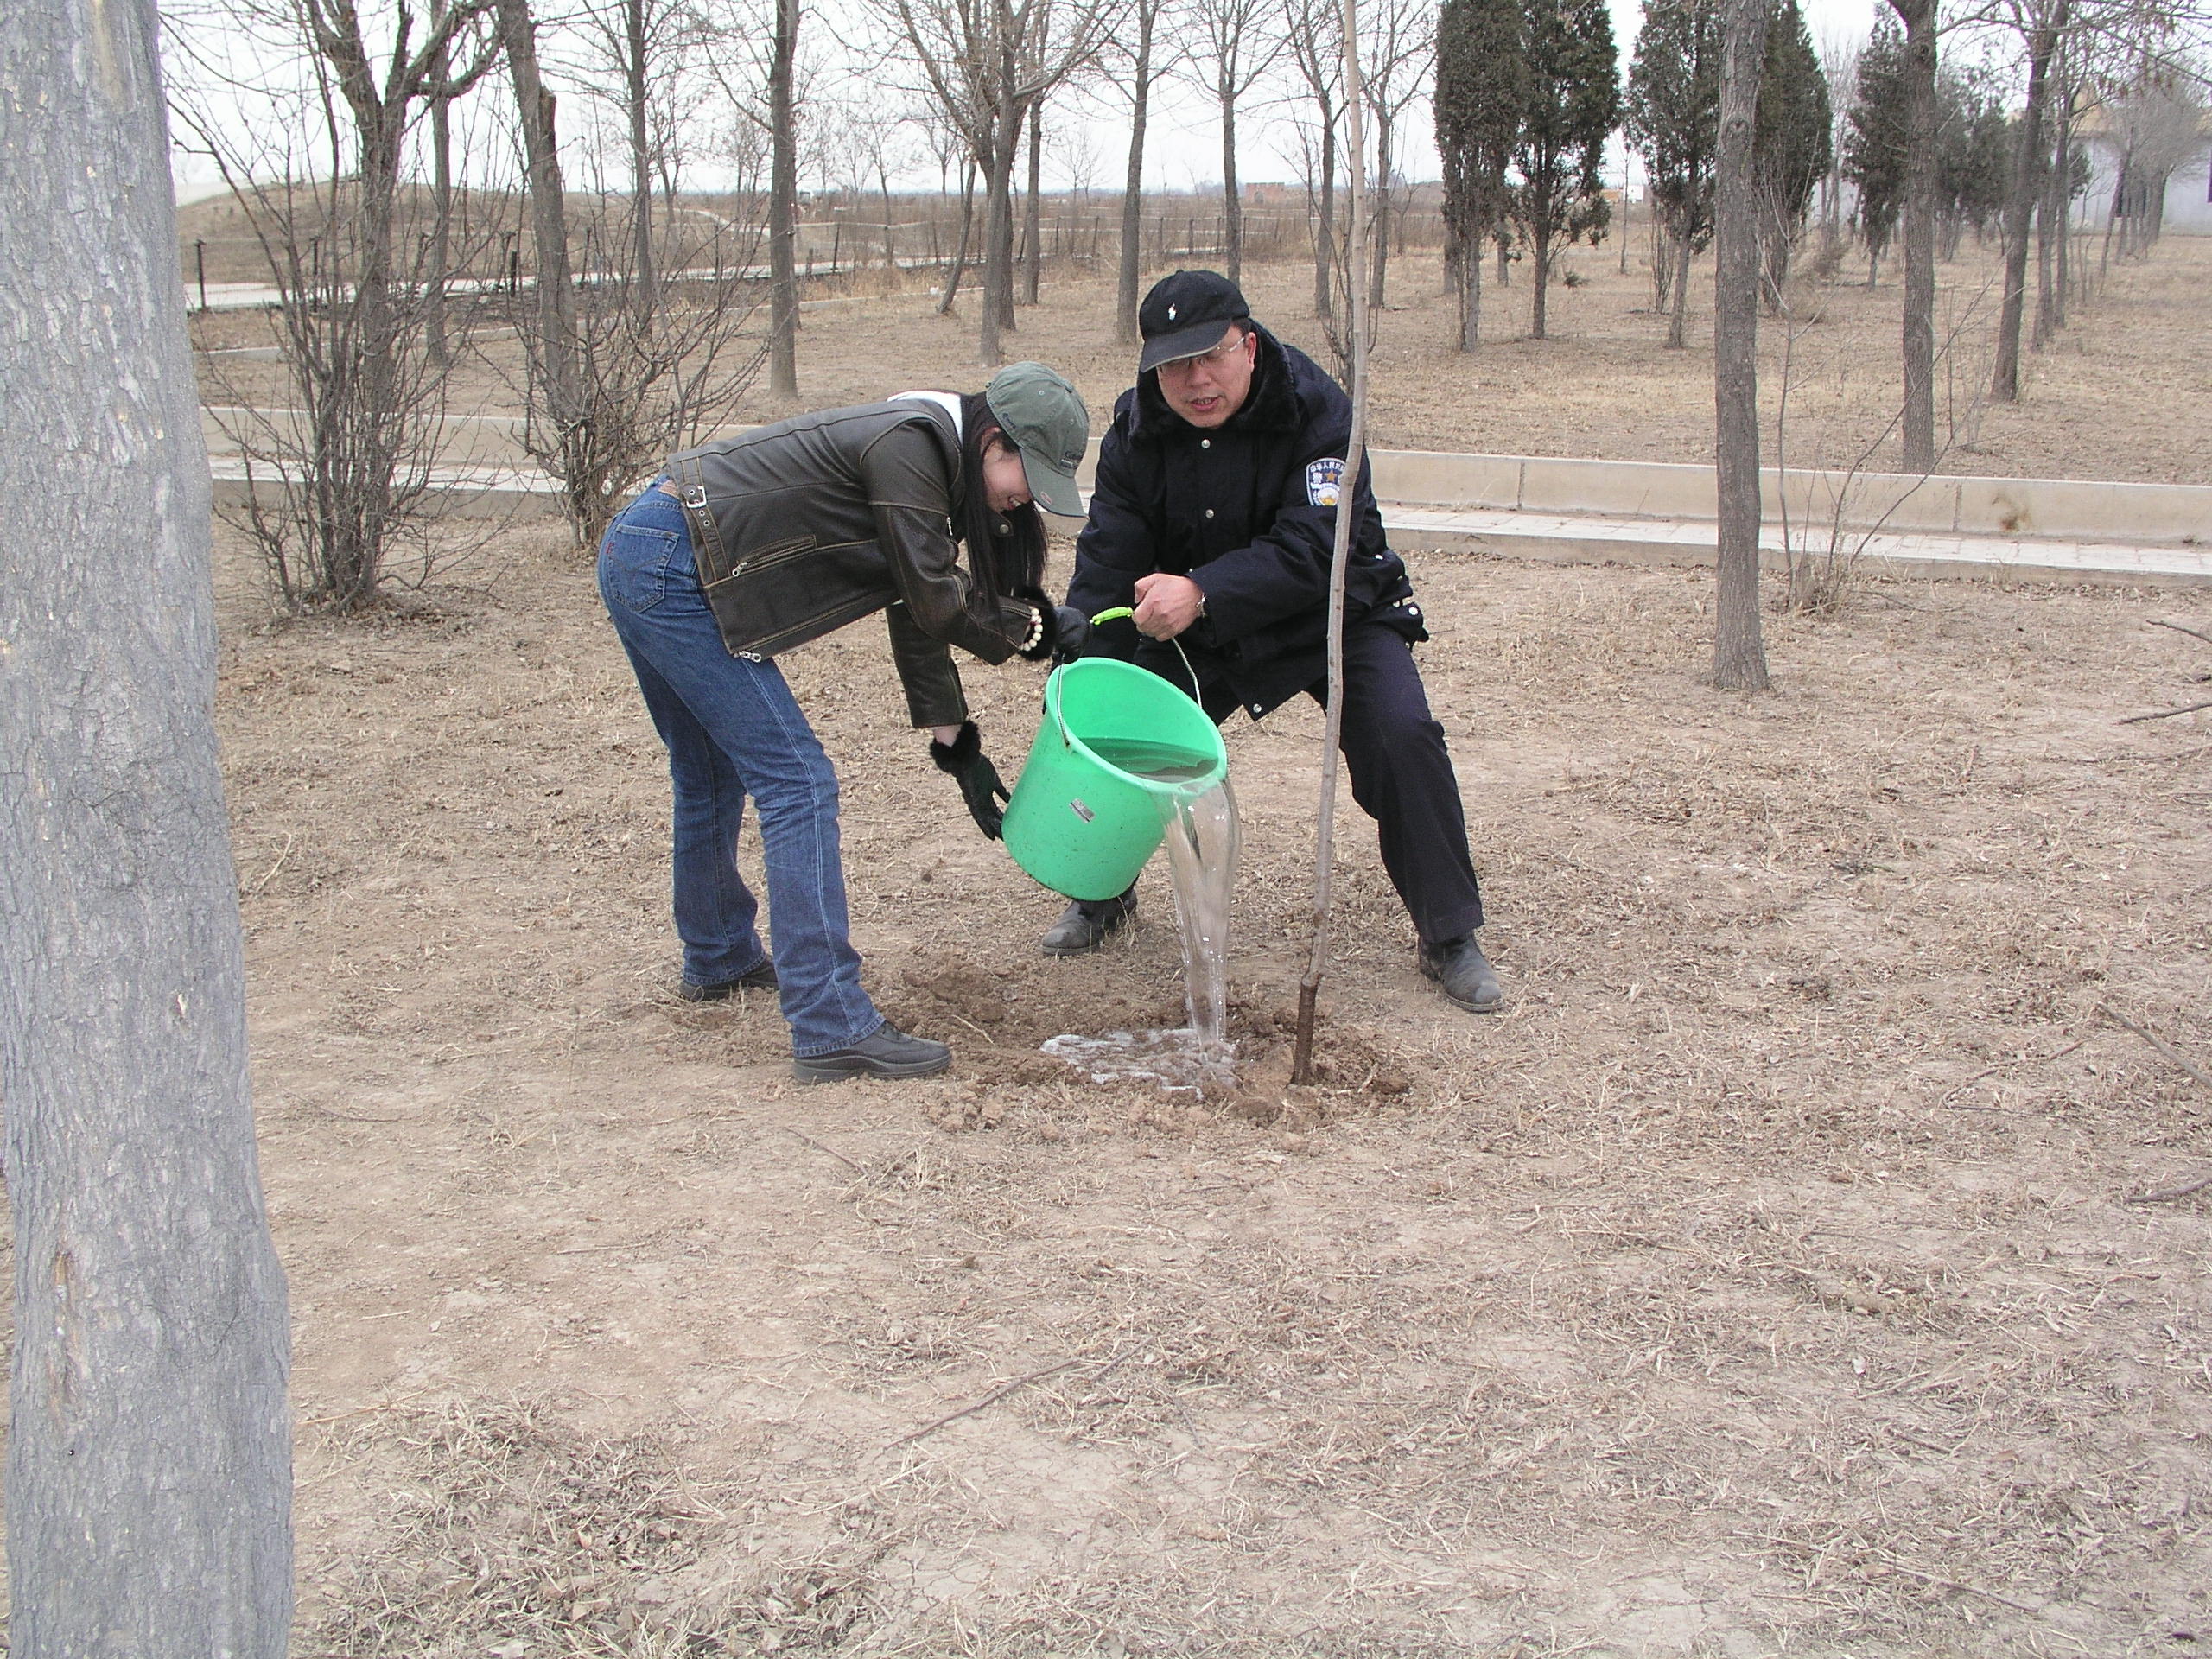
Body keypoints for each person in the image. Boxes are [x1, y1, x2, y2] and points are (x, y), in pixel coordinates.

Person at [599, 364, 1090, 1081]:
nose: (1022, 501)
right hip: (671, 567)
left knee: (709, 773)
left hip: (649, 551)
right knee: (798, 782)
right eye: (1025, 475)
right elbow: (934, 599)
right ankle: (830, 1023)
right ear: (993, 442)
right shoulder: (908, 446)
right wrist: (1036, 630)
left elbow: (911, 602)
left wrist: (956, 746)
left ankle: (718, 956)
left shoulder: (922, 457)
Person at [1045, 271, 1502, 1014]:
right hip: (1203, 630)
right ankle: (1101, 893)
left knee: (1401, 733)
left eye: (1211, 357)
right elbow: (1108, 559)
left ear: (1249, 347)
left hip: (1331, 613)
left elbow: (1318, 549)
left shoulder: (1319, 411)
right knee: (1119, 720)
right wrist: (1085, 670)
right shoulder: (1135, 429)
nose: (1194, 381)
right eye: (1172, 366)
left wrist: (1202, 592)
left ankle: (1448, 933)